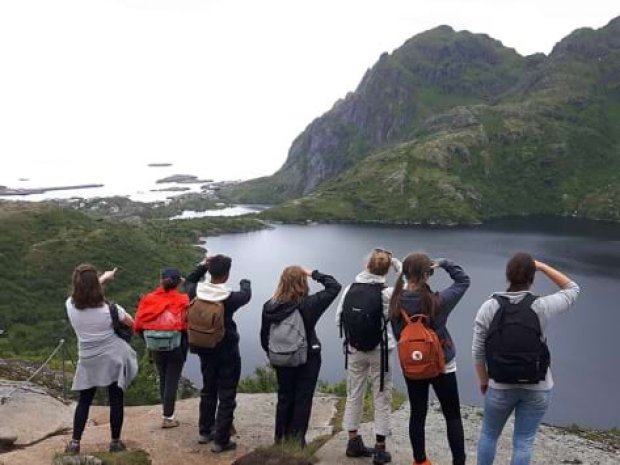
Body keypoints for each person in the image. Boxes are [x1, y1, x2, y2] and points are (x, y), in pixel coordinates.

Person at [473, 253, 580, 465]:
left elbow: (478, 350)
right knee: (523, 441)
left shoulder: (489, 306)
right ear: (532, 277)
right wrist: (542, 266)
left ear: (507, 276)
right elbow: (572, 289)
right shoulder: (541, 306)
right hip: (538, 385)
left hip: (500, 384)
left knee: (489, 435)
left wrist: (484, 380)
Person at [390, 253, 470, 465]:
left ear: (406, 274)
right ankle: (458, 462)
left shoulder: (395, 302)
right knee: (452, 415)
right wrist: (445, 263)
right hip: (442, 363)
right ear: (427, 274)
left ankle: (420, 460)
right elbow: (463, 280)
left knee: (417, 413)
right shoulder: (438, 301)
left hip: (412, 364)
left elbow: (398, 334)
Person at [261, 266, 341, 447]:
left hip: (280, 358)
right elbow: (334, 286)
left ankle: (280, 440)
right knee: (302, 399)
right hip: (308, 358)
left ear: (282, 281)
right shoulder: (308, 304)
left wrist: (275, 354)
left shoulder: (269, 307)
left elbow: (264, 337)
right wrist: (314, 274)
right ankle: (296, 442)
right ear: (302, 282)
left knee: (284, 397)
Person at [335, 248, 402, 465]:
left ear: (367, 265)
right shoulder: (387, 293)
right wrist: (398, 267)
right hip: (380, 351)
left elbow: (339, 320)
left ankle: (353, 442)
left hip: (354, 350)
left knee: (354, 393)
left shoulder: (349, 289)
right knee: (381, 396)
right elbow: (410, 288)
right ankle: (380, 449)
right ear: (386, 269)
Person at [65, 265, 138, 454]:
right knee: (116, 399)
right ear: (97, 287)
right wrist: (104, 279)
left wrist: (104, 278)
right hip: (112, 360)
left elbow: (85, 291)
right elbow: (131, 323)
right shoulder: (112, 310)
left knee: (84, 401)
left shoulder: (70, 305)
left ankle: (75, 443)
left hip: (88, 359)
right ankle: (115, 442)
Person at [185, 254, 251, 453]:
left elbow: (188, 280)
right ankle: (221, 440)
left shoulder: (196, 291)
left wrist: (203, 266)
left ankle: (205, 431)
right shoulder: (230, 298)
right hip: (227, 350)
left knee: (208, 389)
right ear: (227, 274)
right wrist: (245, 281)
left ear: (210, 271)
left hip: (204, 348)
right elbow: (246, 293)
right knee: (227, 394)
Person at [134, 267, 189, 428]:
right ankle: (168, 417)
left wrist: (149, 341)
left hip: (155, 346)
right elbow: (186, 324)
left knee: (163, 378)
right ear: (178, 283)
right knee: (172, 380)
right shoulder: (182, 300)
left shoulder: (148, 299)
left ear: (161, 280)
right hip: (175, 347)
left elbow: (138, 325)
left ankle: (166, 413)